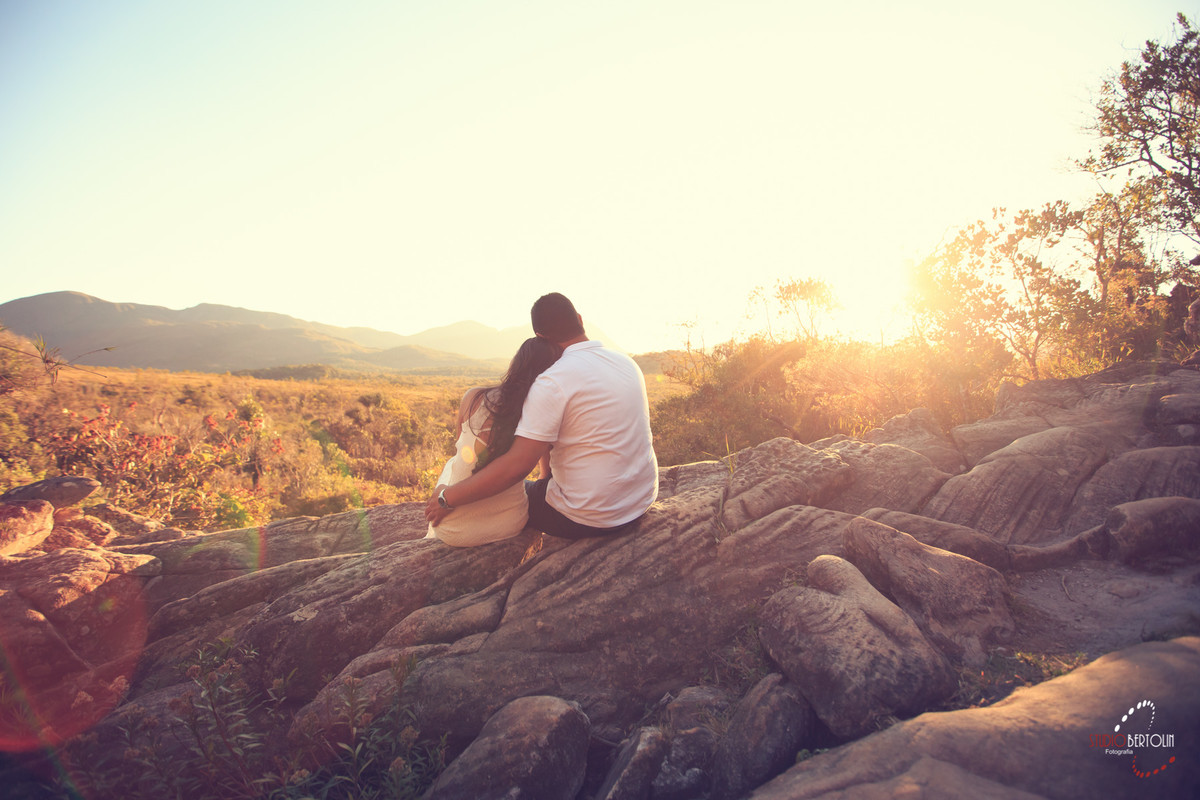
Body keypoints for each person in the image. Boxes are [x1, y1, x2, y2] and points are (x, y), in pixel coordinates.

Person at [424, 293, 658, 539]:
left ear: (540, 336)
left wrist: (446, 498)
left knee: (500, 494)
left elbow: (516, 466)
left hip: (588, 518)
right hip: (640, 501)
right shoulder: (626, 362)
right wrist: (545, 480)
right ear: (579, 319)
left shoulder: (552, 380)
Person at [425, 336, 561, 546]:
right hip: (509, 524)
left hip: (451, 528)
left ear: (515, 364)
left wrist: (444, 494)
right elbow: (545, 475)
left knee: (453, 462)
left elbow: (463, 451)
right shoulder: (541, 415)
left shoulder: (473, 397)